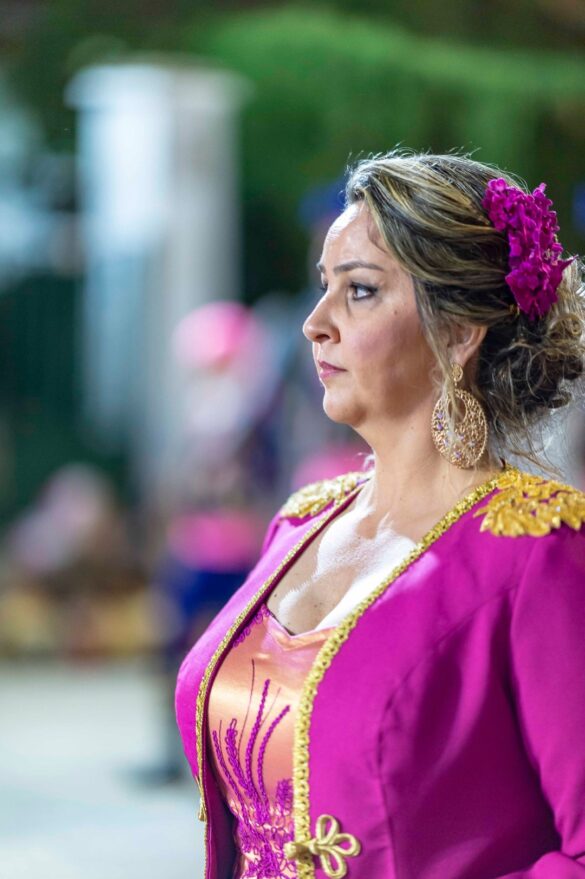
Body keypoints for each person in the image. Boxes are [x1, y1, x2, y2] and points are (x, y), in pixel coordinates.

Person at [175, 149, 585, 879]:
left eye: (359, 291)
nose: (313, 324)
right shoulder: (299, 525)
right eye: (323, 287)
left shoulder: (541, 550)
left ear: (456, 332)